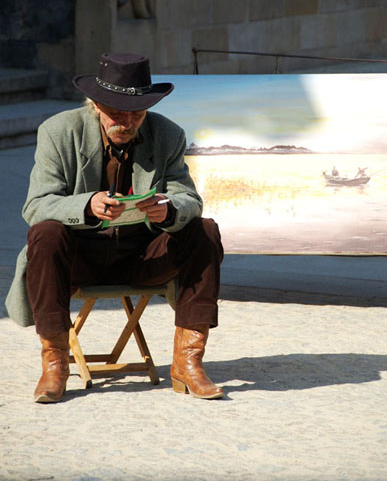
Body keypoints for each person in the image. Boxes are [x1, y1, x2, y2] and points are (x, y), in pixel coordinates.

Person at [5, 53, 224, 403]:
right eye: (116, 113)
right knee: (45, 233)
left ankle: (187, 362)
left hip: (142, 255)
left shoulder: (167, 134)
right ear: (95, 105)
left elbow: (189, 198)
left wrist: (168, 210)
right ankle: (55, 364)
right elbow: (36, 205)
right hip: (79, 258)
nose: (127, 122)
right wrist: (85, 205)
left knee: (204, 230)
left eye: (136, 113)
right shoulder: (59, 132)